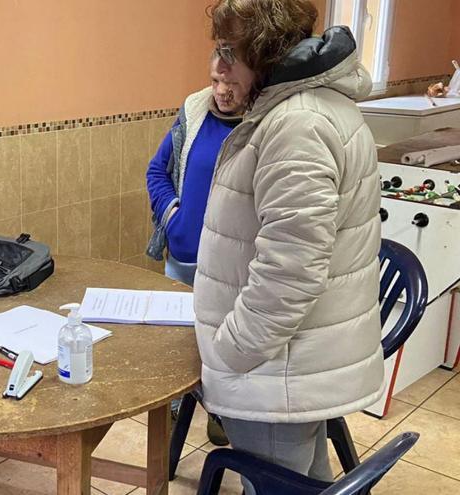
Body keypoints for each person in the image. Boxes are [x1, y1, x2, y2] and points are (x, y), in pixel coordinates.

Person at [193, 0, 384, 492]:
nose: (216, 66)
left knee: (279, 482)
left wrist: (231, 351)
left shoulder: (296, 125)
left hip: (274, 371)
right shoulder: (304, 110)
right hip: (289, 366)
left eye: (229, 51)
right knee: (302, 480)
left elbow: (289, 274)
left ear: (266, 46)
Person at [146, 54, 251, 447]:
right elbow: (157, 171)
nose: (221, 91)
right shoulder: (193, 110)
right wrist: (174, 215)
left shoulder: (265, 126)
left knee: (223, 351)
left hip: (231, 269)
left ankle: (221, 415)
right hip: (183, 258)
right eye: (214, 81)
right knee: (178, 346)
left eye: (231, 83)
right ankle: (174, 414)